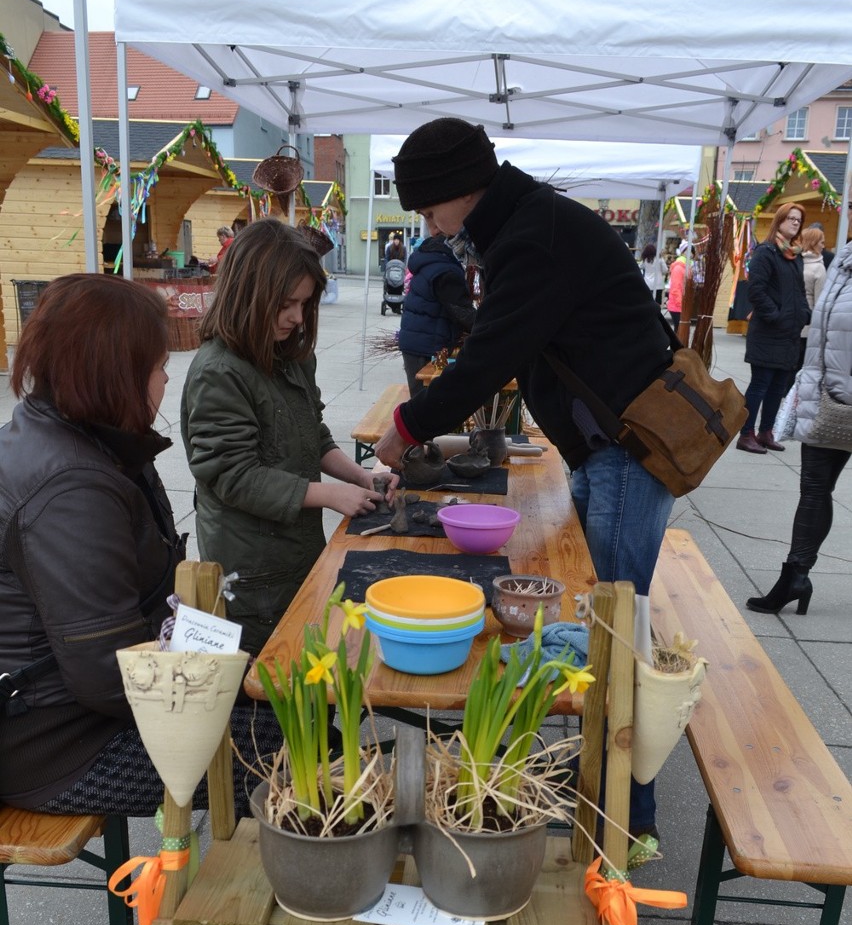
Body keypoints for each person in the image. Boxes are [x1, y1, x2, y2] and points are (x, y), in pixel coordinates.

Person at [374, 117, 678, 849]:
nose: (428, 223)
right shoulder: (525, 224)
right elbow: (507, 345)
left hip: (628, 454)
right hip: (605, 449)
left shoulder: (531, 240)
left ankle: (626, 822)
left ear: (459, 191)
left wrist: (406, 427)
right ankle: (596, 780)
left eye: (429, 207)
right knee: (586, 607)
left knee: (612, 631)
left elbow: (489, 357)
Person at [0, 273, 281, 817]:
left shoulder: (76, 435)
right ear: (115, 374)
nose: (164, 381)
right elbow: (107, 674)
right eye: (158, 367)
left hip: (71, 707)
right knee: (291, 744)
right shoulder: (70, 487)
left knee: (286, 708)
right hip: (56, 744)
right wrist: (211, 687)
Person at [181, 218, 395, 657]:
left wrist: (359, 477)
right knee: (274, 675)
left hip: (295, 552)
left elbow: (312, 435)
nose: (298, 317)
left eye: (304, 303)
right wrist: (330, 495)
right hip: (253, 570)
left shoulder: (289, 355)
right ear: (248, 295)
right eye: (285, 304)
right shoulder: (218, 372)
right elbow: (233, 476)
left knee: (307, 656)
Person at [746, 215, 852, 616]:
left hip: (840, 393)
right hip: (828, 399)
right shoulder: (843, 259)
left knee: (814, 488)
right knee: (813, 488)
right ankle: (795, 577)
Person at [737, 202, 810, 455]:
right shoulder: (766, 252)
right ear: (779, 220)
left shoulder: (794, 255)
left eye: (798, 220)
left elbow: (799, 292)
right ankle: (746, 433)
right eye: (790, 218)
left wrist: (804, 314)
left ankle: (766, 432)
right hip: (768, 331)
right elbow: (755, 290)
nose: (794, 223)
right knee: (761, 384)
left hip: (789, 333)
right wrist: (776, 316)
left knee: (778, 385)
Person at [398, 227, 476, 395]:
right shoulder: (445, 270)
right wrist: (489, 326)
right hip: (425, 346)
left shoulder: (430, 261)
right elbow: (462, 312)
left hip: (416, 341)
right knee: (427, 402)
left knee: (422, 399)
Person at [798, 226, 827, 370]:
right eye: (821, 242)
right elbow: (820, 301)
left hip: (792, 323)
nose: (824, 246)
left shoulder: (796, 261)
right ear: (814, 243)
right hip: (808, 325)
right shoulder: (819, 268)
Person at [666, 241, 688, 335]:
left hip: (679, 302)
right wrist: (679, 302)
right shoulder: (679, 268)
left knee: (679, 328)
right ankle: (676, 348)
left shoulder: (684, 267)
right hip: (676, 304)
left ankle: (677, 347)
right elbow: (676, 287)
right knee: (678, 328)